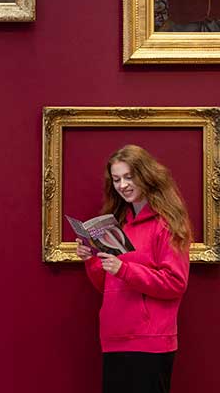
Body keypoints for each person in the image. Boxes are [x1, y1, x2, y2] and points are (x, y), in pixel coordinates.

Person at [76, 145, 192, 393]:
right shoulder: (116, 224)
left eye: (129, 177)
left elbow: (175, 283)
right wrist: (91, 259)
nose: (123, 185)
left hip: (150, 341)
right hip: (113, 337)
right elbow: (105, 286)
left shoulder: (167, 224)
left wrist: (124, 269)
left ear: (146, 175)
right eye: (116, 179)